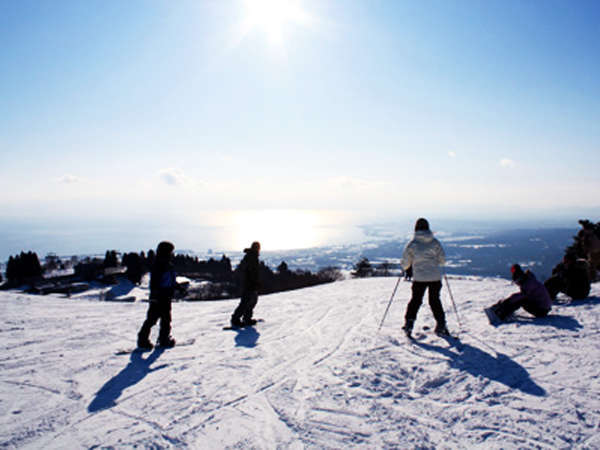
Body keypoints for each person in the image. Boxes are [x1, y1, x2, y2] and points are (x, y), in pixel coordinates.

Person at [401, 218, 449, 337]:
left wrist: (405, 267)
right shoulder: (435, 242)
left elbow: (406, 262)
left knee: (415, 301)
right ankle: (441, 324)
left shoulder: (413, 243)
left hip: (419, 278)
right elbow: (442, 260)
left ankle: (409, 324)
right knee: (434, 301)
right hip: (435, 278)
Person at [137, 241, 177, 349]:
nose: (172, 253)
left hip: (165, 295)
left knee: (165, 318)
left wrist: (177, 287)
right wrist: (155, 296)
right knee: (153, 318)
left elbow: (170, 280)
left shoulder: (167, 264)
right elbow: (155, 282)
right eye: (171, 251)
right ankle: (143, 339)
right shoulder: (160, 265)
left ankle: (163, 338)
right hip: (160, 296)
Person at [486, 264, 552, 323]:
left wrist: (506, 301)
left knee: (521, 301)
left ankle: (502, 315)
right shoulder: (529, 281)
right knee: (519, 299)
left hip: (542, 310)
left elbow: (522, 296)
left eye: (517, 282)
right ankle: (502, 311)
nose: (517, 284)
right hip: (543, 307)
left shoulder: (529, 284)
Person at [231, 241, 261, 328]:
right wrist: (253, 282)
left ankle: (247, 318)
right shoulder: (251, 257)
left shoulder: (253, 256)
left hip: (251, 283)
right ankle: (235, 319)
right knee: (245, 302)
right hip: (248, 284)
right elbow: (250, 272)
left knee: (252, 301)